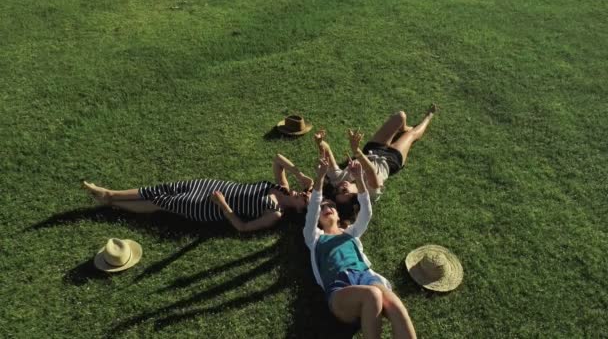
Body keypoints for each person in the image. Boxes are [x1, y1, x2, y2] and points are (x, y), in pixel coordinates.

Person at [303, 158, 417, 338]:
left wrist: (360, 179)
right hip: (338, 285)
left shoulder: (351, 233)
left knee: (397, 306)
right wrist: (320, 177)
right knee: (372, 294)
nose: (328, 208)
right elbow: (312, 209)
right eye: (323, 207)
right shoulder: (314, 238)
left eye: (331, 205)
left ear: (338, 213)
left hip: (365, 276)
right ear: (318, 218)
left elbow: (367, 211)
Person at [83, 154, 312, 232]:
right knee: (162, 189)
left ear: (301, 211)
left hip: (207, 205)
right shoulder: (282, 187)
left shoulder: (276, 213)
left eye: (305, 200)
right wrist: (299, 174)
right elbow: (278, 159)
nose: (303, 194)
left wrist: (223, 205)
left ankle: (111, 202)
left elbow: (242, 227)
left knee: (160, 202)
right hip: (209, 185)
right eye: (306, 193)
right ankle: (110, 193)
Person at [314, 104, 438, 204]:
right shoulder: (369, 194)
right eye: (344, 191)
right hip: (391, 160)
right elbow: (371, 170)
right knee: (411, 135)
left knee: (400, 116)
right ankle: (428, 117)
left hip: (372, 150)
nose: (342, 187)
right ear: (354, 198)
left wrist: (320, 142)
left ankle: (403, 127)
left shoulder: (338, 180)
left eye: (338, 190)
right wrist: (356, 152)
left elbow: (327, 154)